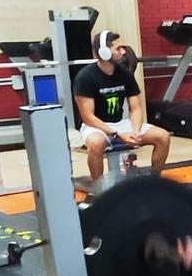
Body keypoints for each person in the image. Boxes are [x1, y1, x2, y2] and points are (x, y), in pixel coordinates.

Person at [70, 30, 172, 184]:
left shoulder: (125, 74)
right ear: (103, 52)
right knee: (96, 144)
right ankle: (99, 189)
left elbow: (136, 108)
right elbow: (88, 117)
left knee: (163, 137)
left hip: (121, 124)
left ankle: (154, 181)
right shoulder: (85, 77)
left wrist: (136, 131)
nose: (123, 51)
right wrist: (118, 135)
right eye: (117, 48)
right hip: (95, 126)